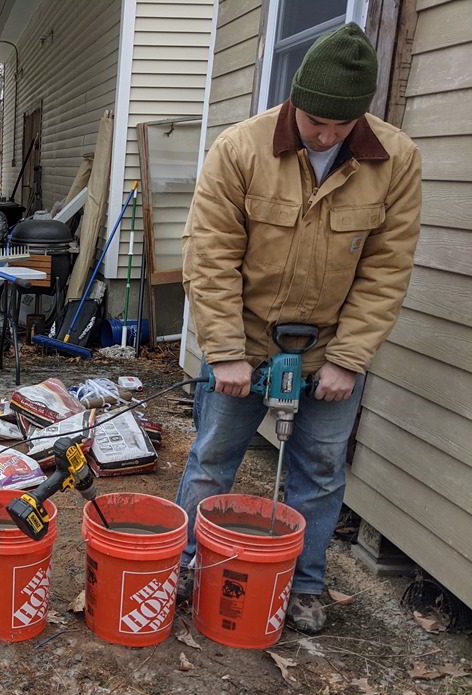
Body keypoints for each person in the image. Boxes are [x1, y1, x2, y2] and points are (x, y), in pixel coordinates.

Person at [175, 22, 422, 633]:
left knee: (321, 469)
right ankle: (185, 564)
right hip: (246, 341)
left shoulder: (395, 160)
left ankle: (304, 583)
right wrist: (224, 352)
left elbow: (386, 270)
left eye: (342, 125)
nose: (327, 135)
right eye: (316, 122)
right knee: (212, 458)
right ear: (295, 99)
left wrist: (349, 358)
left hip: (331, 347)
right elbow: (210, 256)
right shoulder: (241, 149)